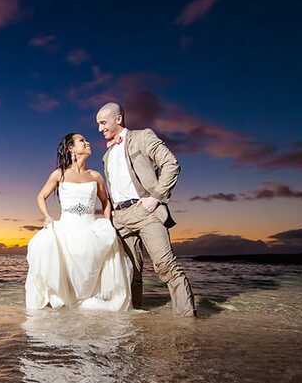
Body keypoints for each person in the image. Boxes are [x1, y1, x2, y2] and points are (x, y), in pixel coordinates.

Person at [97, 101, 197, 317]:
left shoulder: (142, 137)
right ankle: (136, 321)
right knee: (130, 273)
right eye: (98, 124)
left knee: (165, 266)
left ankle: (188, 323)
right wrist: (112, 214)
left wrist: (156, 197)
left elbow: (171, 163)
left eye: (103, 122)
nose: (99, 128)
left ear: (118, 119)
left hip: (147, 212)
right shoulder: (106, 156)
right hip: (120, 218)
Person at [25, 132, 133, 311]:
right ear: (70, 148)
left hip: (90, 227)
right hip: (66, 228)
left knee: (93, 268)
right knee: (44, 246)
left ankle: (86, 304)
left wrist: (107, 224)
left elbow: (106, 203)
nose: (87, 142)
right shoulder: (59, 174)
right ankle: (63, 306)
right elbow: (41, 196)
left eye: (86, 140)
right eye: (82, 141)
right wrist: (46, 216)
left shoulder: (95, 176)